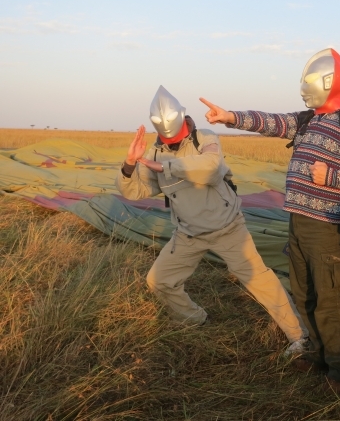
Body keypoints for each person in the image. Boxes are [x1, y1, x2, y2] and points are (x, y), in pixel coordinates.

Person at [199, 48, 340, 394]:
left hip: (329, 227)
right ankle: (320, 354)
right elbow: (272, 122)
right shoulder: (310, 118)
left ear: (331, 82)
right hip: (298, 222)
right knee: (303, 291)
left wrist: (335, 177)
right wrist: (230, 117)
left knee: (329, 298)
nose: (305, 90)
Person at [115, 85, 308, 356]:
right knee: (158, 281)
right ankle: (194, 320)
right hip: (187, 234)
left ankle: (300, 337)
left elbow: (211, 169)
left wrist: (166, 167)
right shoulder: (155, 154)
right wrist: (129, 164)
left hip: (228, 229)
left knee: (260, 280)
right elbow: (135, 191)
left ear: (183, 118)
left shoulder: (205, 138)